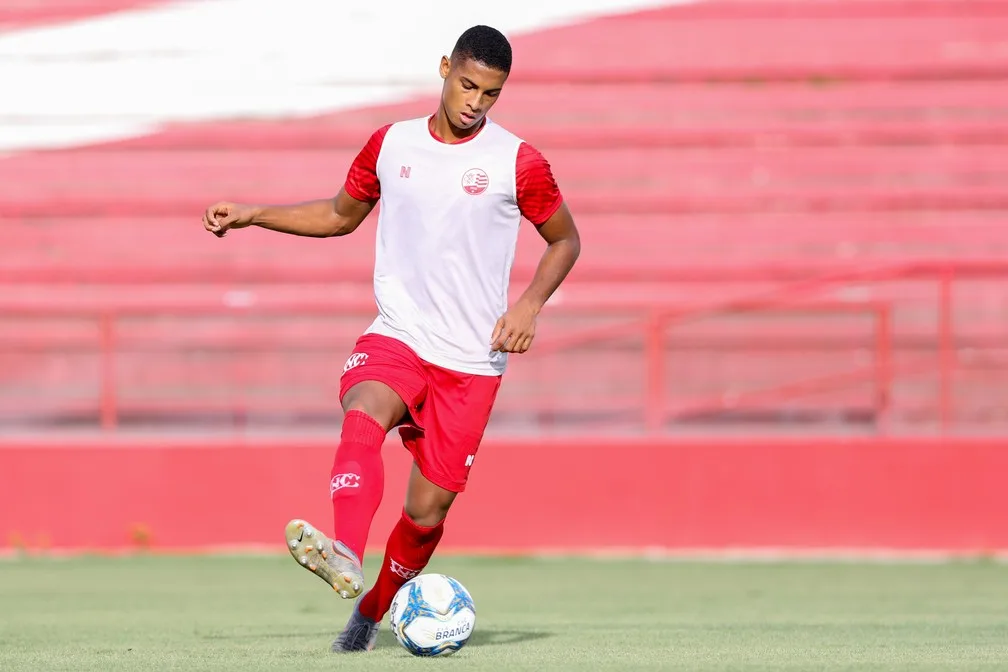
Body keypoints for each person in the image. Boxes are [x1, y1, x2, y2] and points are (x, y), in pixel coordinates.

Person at [202, 24, 580, 652]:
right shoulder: (391, 143)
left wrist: (530, 305)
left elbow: (566, 239)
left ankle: (370, 613)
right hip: (399, 332)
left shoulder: (519, 162)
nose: (474, 103)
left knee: (427, 512)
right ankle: (345, 549)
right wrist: (253, 213)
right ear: (443, 69)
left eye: (490, 93)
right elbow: (337, 216)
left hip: (471, 361)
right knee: (364, 410)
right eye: (466, 85)